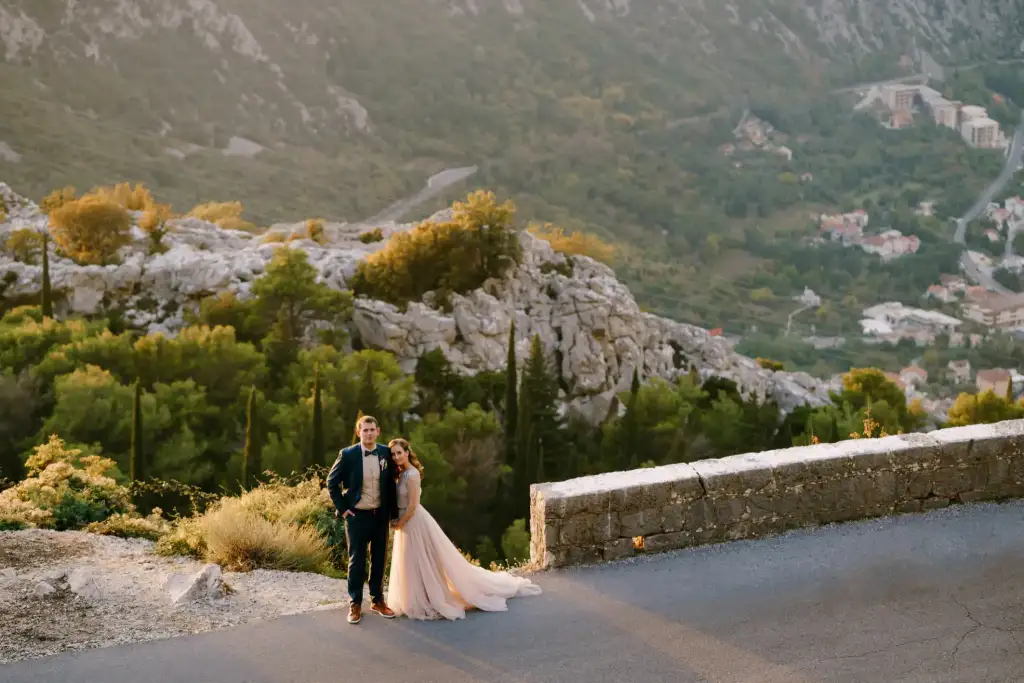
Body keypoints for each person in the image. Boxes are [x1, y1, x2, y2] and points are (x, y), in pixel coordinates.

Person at [385, 438, 542, 620]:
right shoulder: (401, 473)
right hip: (406, 523)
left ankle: (430, 597)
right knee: (412, 561)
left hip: (413, 521)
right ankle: (419, 596)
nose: (396, 457)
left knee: (423, 558)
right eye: (393, 454)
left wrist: (400, 522)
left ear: (407, 453)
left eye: (399, 453)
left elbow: (413, 505)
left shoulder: (411, 474)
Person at [326, 415, 399, 625]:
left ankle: (377, 601)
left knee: (379, 559)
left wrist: (394, 513)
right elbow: (332, 483)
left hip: (380, 516)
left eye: (371, 430)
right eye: (364, 430)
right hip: (357, 516)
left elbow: (395, 481)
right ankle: (355, 603)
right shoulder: (347, 454)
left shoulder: (386, 452)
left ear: (378, 431)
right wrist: (344, 510)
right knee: (357, 560)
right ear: (359, 432)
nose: (368, 433)